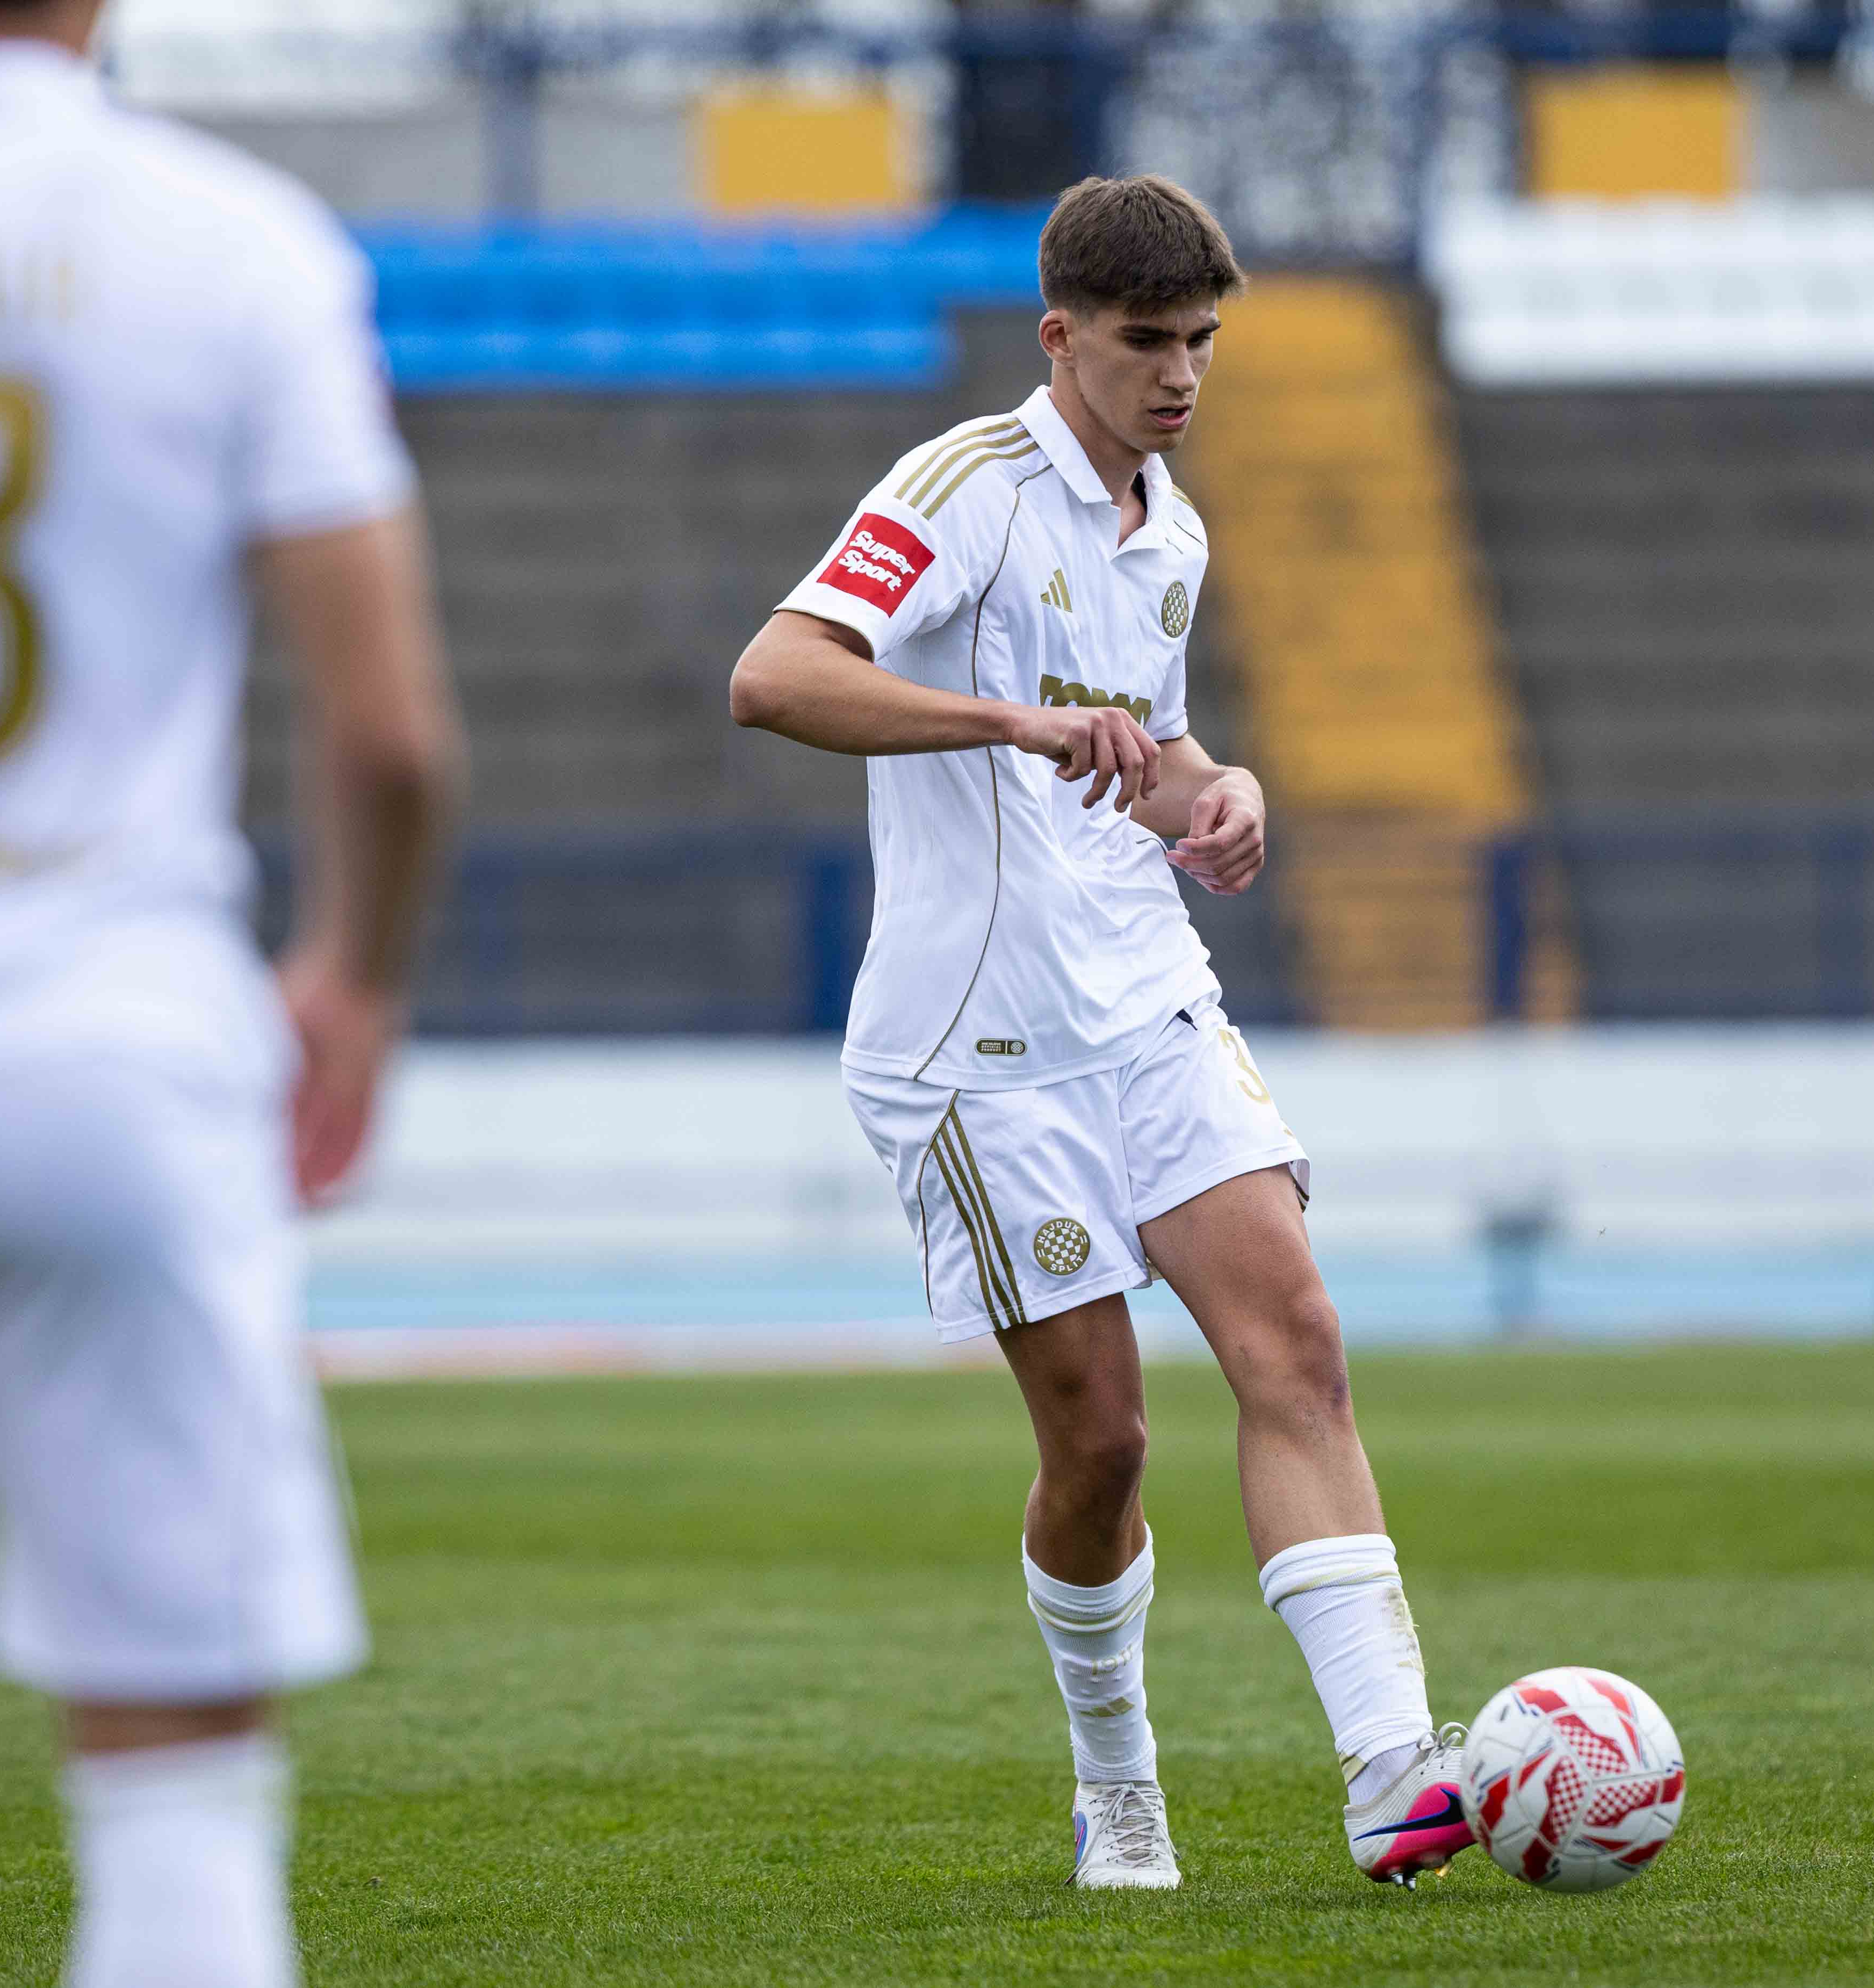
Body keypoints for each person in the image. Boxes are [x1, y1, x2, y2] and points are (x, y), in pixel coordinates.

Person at [0, 4, 464, 1983]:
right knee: (179, 1753)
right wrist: (354, 989)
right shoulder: (231, 240)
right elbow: (388, 740)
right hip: (114, 1045)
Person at [727, 175, 1469, 1892]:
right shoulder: (963, 491)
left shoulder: (1173, 531)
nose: (1182, 375)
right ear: (1059, 337)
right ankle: (1116, 1778)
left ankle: (1392, 1775)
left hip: (1145, 1007)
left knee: (1296, 1342)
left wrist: (1221, 796)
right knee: (1104, 1441)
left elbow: (1148, 754)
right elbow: (773, 675)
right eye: (1149, 343)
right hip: (978, 1056)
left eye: (1202, 342)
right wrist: (996, 719)